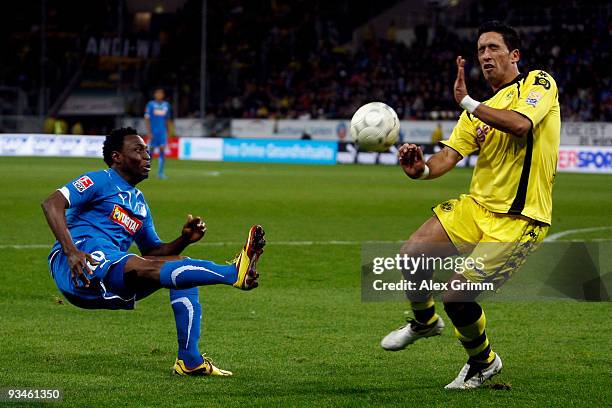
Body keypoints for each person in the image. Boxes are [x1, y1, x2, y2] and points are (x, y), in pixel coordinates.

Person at [380, 21, 560, 389]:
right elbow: (445, 159)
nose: (486, 56)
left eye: (493, 48)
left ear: (514, 55)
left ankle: (483, 362)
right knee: (412, 254)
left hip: (518, 218)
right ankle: (424, 322)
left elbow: (521, 125)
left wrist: (467, 101)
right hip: (477, 207)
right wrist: (420, 169)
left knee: (457, 296)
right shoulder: (475, 113)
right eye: (480, 50)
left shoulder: (538, 83)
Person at [42, 127, 266, 376]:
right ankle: (233, 273)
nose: (147, 156)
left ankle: (189, 360)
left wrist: (183, 240)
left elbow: (154, 252)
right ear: (117, 157)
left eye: (147, 150)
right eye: (138, 150)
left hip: (108, 270)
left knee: (181, 265)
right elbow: (52, 203)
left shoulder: (138, 203)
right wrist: (71, 251)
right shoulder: (99, 180)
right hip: (77, 259)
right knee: (140, 263)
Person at [144, 88, 172, 179]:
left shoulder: (166, 105)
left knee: (162, 150)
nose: (159, 95)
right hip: (153, 131)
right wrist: (149, 132)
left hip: (162, 132)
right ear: (155, 95)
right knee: (150, 152)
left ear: (163, 95)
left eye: (161, 93)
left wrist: (168, 131)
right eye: (157, 93)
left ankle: (160, 173)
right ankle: (145, 171)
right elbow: (147, 118)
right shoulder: (150, 104)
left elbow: (167, 119)